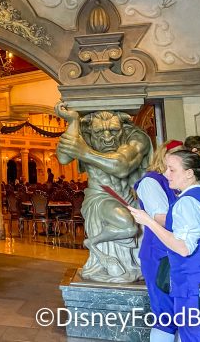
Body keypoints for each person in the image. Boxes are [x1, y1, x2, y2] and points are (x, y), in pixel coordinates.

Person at [129, 150, 200, 342]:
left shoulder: (187, 202)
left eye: (172, 169)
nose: (166, 174)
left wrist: (148, 221)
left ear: (189, 173)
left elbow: (184, 248)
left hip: (197, 287)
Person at [56, 104, 151, 282]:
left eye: (114, 131)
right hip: (101, 196)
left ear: (123, 127)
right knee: (128, 225)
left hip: (129, 196)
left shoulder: (136, 137)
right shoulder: (85, 136)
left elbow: (121, 166)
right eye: (99, 132)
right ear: (91, 130)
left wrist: (85, 152)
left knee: (147, 229)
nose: (107, 138)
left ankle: (132, 265)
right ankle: (93, 244)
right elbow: (63, 157)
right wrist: (74, 122)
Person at [133, 140, 183, 342]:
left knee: (179, 312)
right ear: (164, 156)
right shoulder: (151, 182)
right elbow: (160, 218)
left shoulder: (175, 183)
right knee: (165, 313)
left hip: (174, 250)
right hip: (158, 253)